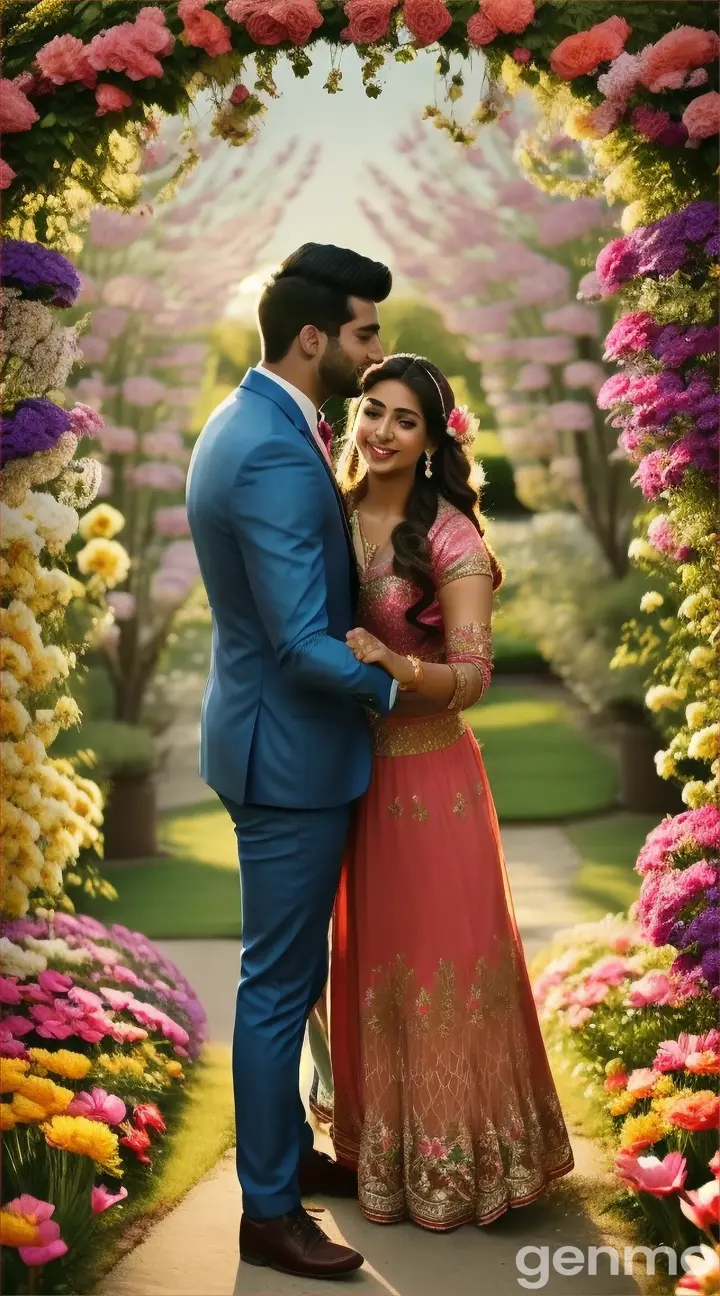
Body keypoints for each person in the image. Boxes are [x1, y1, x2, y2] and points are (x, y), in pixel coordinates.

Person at [186, 244, 399, 1280]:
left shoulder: (260, 419)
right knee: (276, 987)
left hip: (271, 740)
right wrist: (411, 689)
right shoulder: (269, 447)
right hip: (286, 754)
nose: (377, 350)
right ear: (313, 338)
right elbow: (301, 641)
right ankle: (267, 1215)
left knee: (290, 976)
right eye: (365, 332)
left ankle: (289, 1158)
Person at [327, 353, 575, 1231]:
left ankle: (468, 1165)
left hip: (431, 778)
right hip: (349, 779)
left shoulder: (450, 539)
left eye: (404, 421)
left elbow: (472, 677)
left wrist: (394, 664)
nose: (381, 432)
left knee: (442, 965)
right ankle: (374, 1155)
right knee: (368, 966)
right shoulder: (334, 511)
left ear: (433, 442)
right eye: (371, 411)